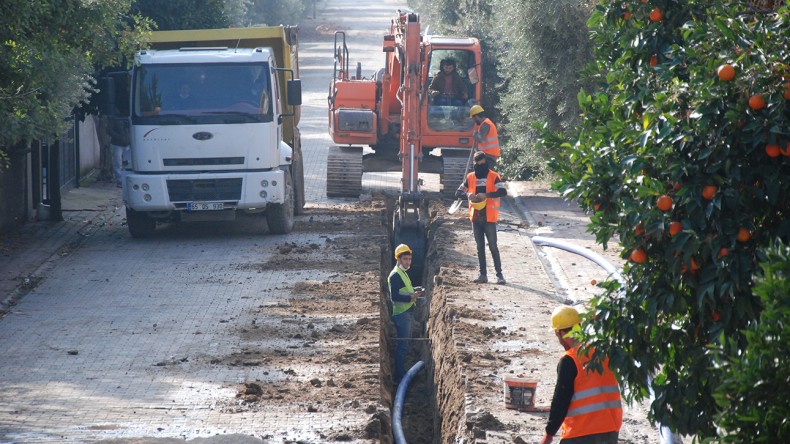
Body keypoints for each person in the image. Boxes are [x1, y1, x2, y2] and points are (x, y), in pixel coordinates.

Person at [540, 305, 623, 444]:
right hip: (611, 430)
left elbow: (561, 400)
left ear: (559, 333)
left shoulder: (569, 360)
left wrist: (549, 434)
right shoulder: (602, 352)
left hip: (581, 433)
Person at [455, 151, 507, 284]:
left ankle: (499, 275)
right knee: (480, 247)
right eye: (478, 164)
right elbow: (458, 192)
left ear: (486, 163)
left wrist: (487, 195)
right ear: (475, 164)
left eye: (482, 164)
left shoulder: (494, 176)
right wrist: (468, 195)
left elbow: (503, 191)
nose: (481, 166)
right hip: (476, 218)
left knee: (493, 247)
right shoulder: (470, 177)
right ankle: (483, 275)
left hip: (489, 217)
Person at [388, 243, 424, 384]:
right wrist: (411, 297)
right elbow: (394, 296)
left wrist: (415, 290)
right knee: (402, 346)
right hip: (402, 314)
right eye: (405, 259)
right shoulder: (396, 275)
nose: (408, 262)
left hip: (406, 313)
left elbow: (404, 289)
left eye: (409, 259)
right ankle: (399, 376)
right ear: (398, 259)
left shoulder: (402, 272)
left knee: (405, 345)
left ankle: (401, 373)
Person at [107, 113, 130, 188]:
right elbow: (109, 130)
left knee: (128, 163)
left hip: (127, 144)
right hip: (117, 144)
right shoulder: (114, 118)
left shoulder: (129, 118)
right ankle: (120, 181)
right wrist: (118, 137)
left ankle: (127, 180)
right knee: (118, 163)